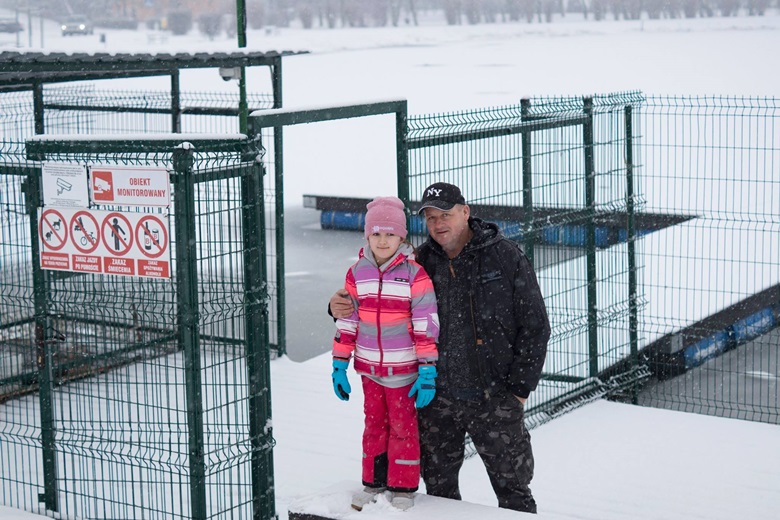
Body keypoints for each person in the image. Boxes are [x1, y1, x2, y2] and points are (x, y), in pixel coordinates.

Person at [329, 182, 550, 513]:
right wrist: (335, 307)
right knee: (437, 493)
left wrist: (518, 389)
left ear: (465, 212)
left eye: (445, 214)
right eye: (430, 217)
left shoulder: (505, 257)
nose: (438, 224)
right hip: (436, 398)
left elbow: (535, 327)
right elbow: (377, 299)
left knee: (513, 488)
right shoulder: (419, 261)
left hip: (493, 396)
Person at [330, 196, 440, 511]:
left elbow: (426, 325)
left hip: (404, 371)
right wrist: (340, 363)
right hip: (369, 369)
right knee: (374, 425)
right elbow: (347, 321)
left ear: (402, 237)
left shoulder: (414, 275)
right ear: (367, 236)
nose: (382, 240)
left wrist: (427, 369)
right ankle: (373, 483)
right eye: (376, 234)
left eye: (390, 234)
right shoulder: (356, 274)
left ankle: (402, 486)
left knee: (404, 427)